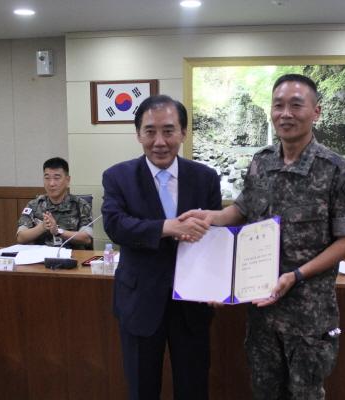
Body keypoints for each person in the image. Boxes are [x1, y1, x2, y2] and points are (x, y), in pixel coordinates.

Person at [179, 74, 345, 400]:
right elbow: (242, 209)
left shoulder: (336, 170)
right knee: (264, 392)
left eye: (296, 105)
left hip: (309, 315)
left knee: (306, 394)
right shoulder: (261, 162)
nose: (285, 113)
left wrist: (296, 275)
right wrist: (213, 218)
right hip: (261, 309)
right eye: (278, 105)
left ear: (316, 112)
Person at [101, 95, 221, 400]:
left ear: (183, 133)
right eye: (150, 131)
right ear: (138, 134)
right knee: (142, 389)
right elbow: (115, 225)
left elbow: (216, 236)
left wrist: (219, 284)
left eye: (168, 131)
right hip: (140, 301)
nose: (159, 142)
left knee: (193, 388)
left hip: (193, 302)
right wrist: (168, 228)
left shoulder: (205, 178)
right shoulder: (118, 177)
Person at [16, 157, 93, 249]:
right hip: (41, 256)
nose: (51, 183)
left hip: (73, 256)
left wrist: (58, 231)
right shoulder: (34, 205)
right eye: (47, 178)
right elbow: (20, 237)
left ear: (67, 180)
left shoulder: (81, 205)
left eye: (57, 178)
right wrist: (42, 227)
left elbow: (86, 238)